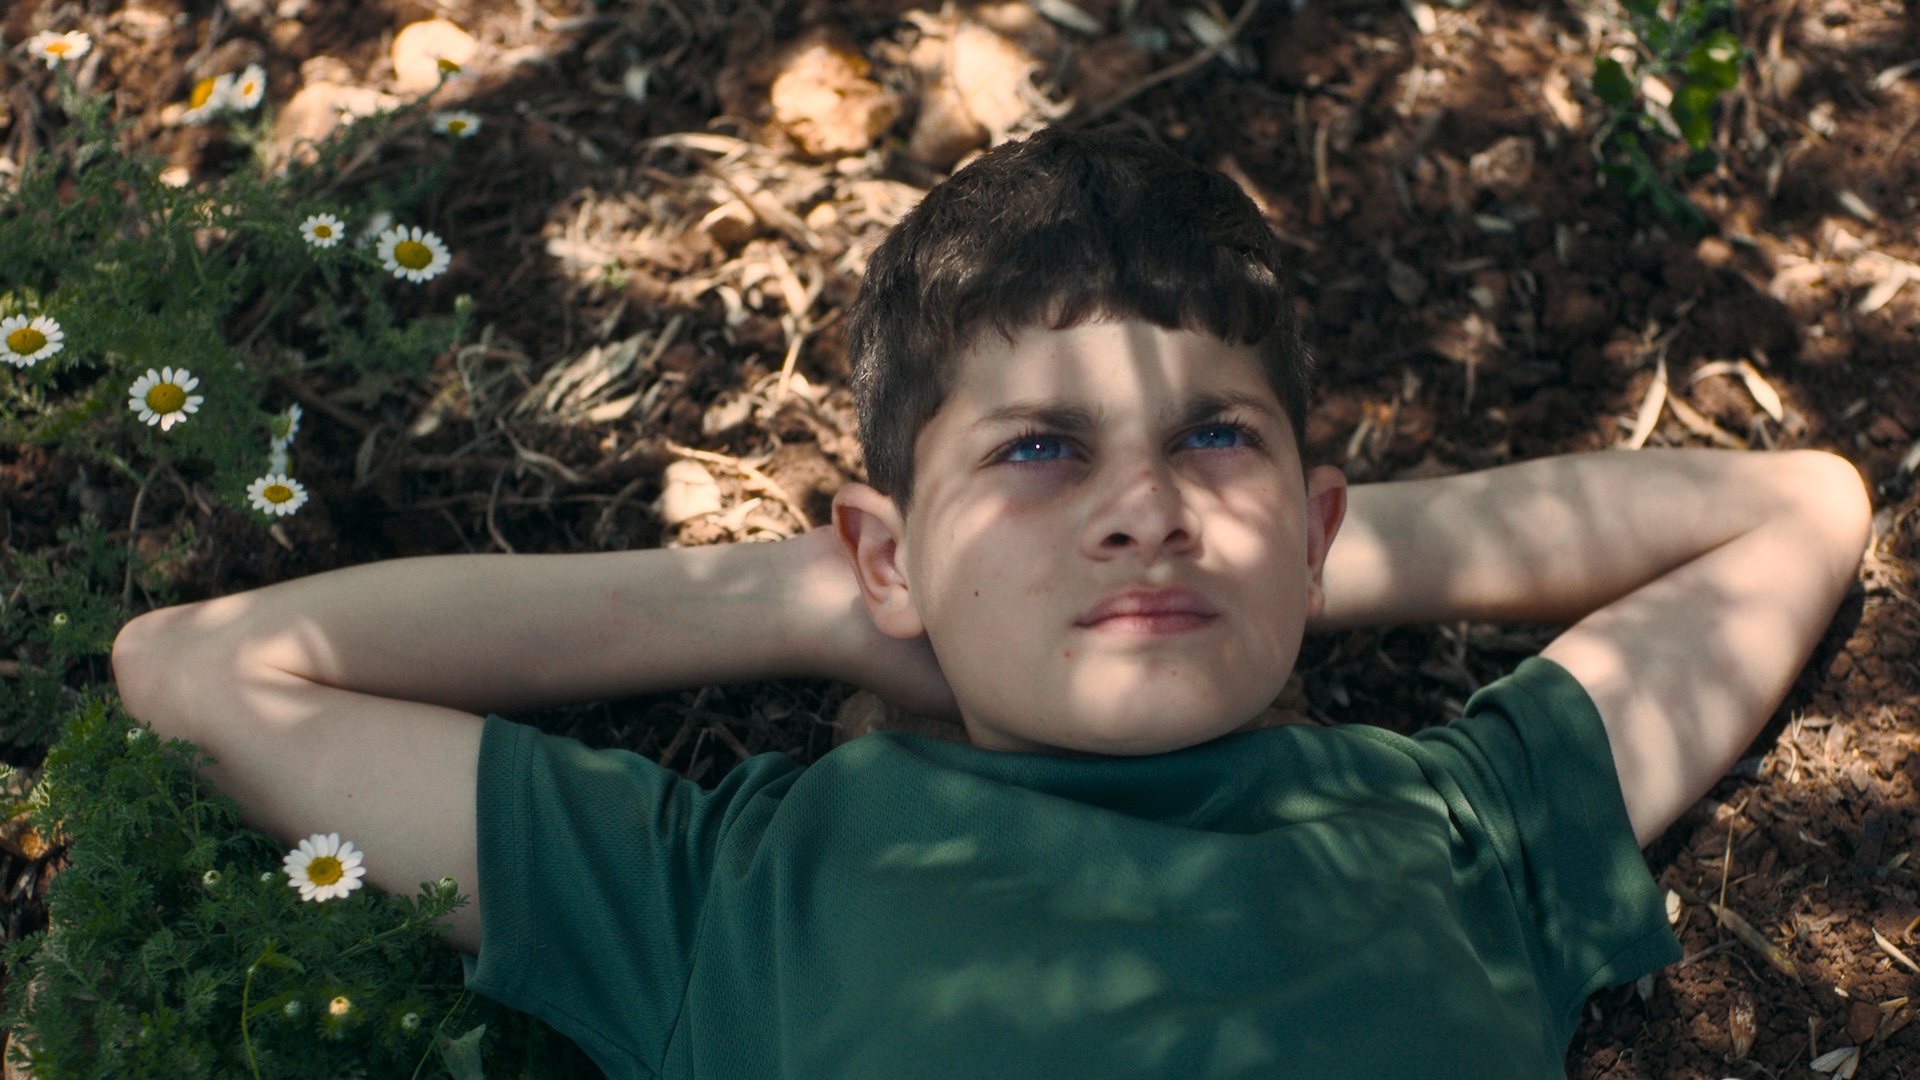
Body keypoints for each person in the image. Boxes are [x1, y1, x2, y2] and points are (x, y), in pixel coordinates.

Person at [111, 128, 1873, 1078]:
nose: (1142, 509)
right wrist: (809, 603)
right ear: (885, 550)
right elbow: (204, 668)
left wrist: (1284, 557)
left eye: (1212, 441)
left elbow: (1795, 512)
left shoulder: (1461, 823)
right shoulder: (732, 885)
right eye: (1040, 450)